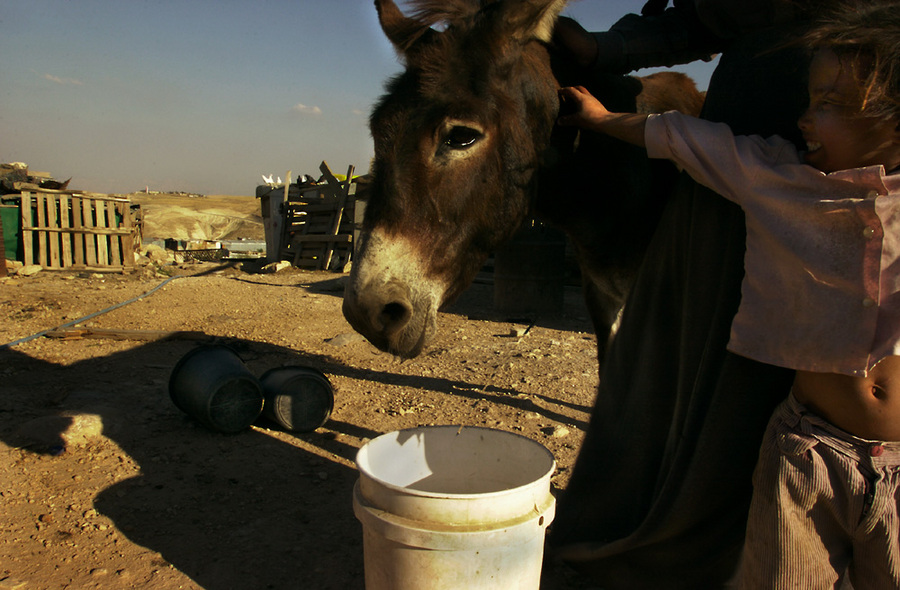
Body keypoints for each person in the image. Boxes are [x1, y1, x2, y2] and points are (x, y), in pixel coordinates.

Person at [557, 1, 900, 587]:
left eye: (829, 104)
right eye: (811, 98)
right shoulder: (777, 177)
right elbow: (683, 138)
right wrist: (597, 118)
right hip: (806, 457)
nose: (805, 117)